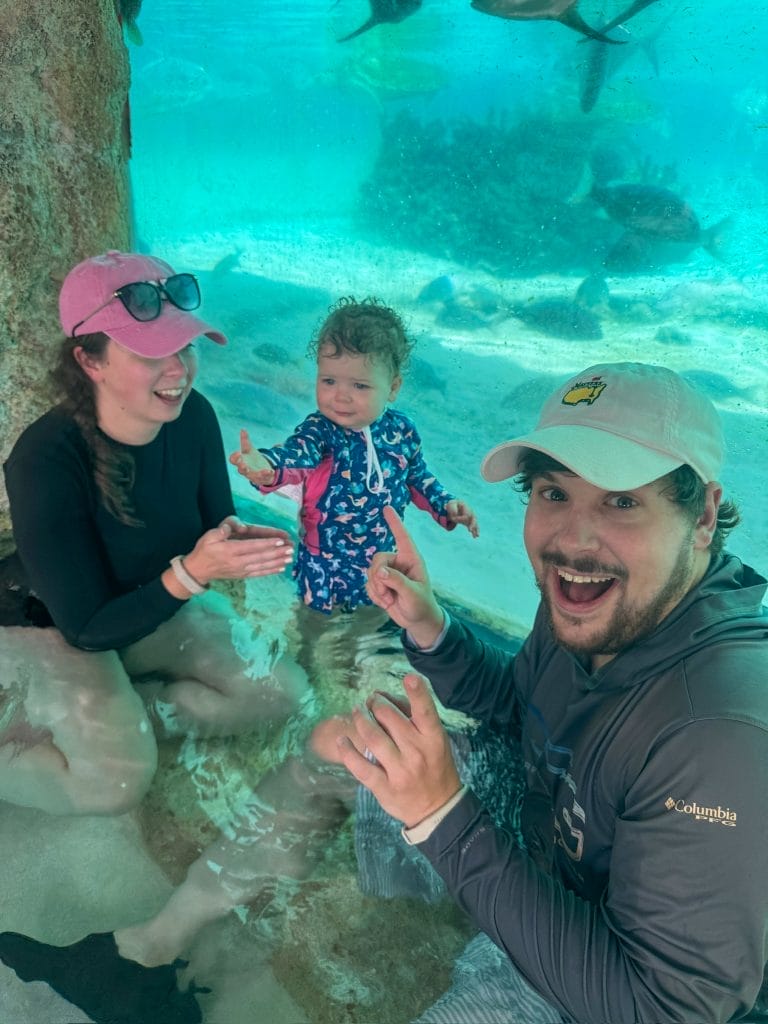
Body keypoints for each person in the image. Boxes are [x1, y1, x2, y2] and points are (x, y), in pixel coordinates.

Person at [316, 362, 768, 1023]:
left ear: (701, 515)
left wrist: (445, 820)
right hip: (552, 848)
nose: (572, 542)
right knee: (344, 754)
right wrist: (434, 628)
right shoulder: (598, 600)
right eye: (553, 493)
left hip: (609, 965)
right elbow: (525, 711)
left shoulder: (720, 733)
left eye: (621, 501)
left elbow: (661, 1009)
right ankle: (169, 939)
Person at [0, 250, 312, 1024]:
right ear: (90, 360)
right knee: (111, 782)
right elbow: (84, 623)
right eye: (148, 353)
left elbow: (207, 527)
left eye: (183, 346)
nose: (177, 369)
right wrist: (195, 573)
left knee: (282, 691)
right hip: (52, 625)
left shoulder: (195, 418)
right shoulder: (44, 458)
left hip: (147, 605)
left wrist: (240, 541)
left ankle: (126, 714)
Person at [229, 295, 479, 618]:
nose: (341, 395)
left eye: (360, 385)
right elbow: (296, 455)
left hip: (381, 558)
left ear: (392, 388)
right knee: (312, 623)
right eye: (329, 380)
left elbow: (417, 478)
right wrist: (266, 467)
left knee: (371, 620)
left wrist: (447, 505)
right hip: (324, 561)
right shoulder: (321, 430)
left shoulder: (402, 431)